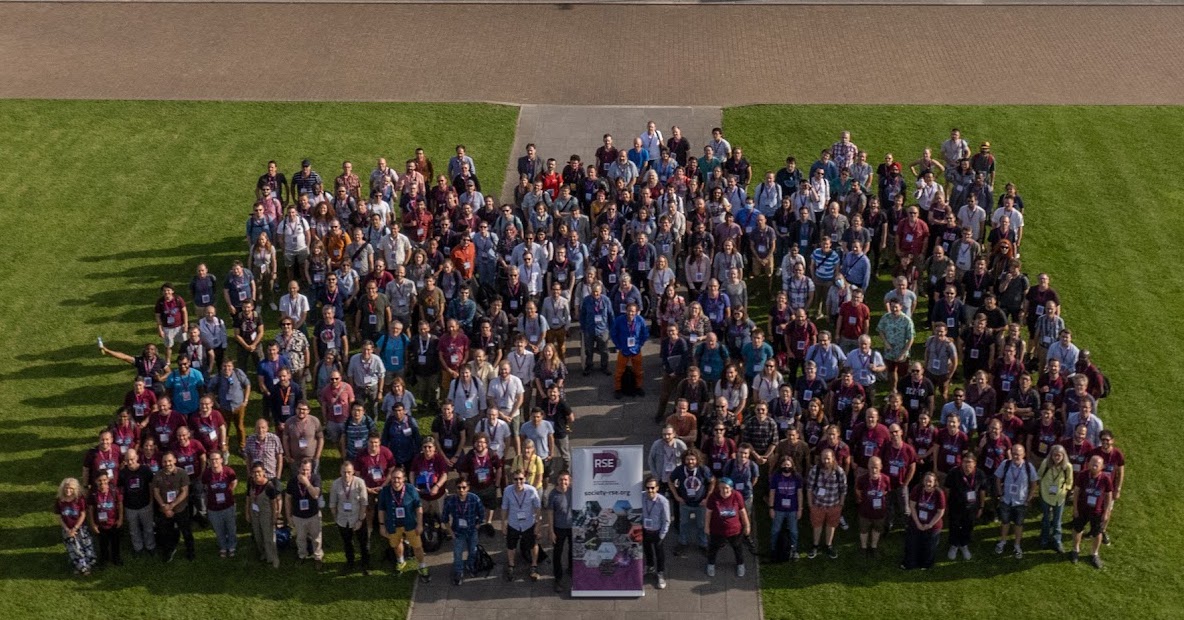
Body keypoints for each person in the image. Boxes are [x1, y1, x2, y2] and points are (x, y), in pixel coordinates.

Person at [378, 467, 430, 582]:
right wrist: (382, 525)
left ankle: (422, 565)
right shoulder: (385, 491)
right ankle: (401, 560)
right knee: (396, 544)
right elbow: (381, 509)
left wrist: (420, 524)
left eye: (399, 478)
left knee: (417, 546)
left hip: (410, 524)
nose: (396, 481)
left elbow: (418, 507)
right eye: (394, 478)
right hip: (393, 524)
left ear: (404, 479)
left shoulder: (411, 489)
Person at [1068, 455, 1113, 569]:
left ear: (1102, 467)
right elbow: (1077, 492)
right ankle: (1075, 550)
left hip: (1097, 511)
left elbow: (1108, 496)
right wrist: (1075, 508)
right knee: (1077, 529)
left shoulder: (1105, 479)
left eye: (1096, 464)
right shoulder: (1083, 475)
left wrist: (1106, 512)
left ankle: (1094, 554)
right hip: (1082, 509)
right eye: (1092, 463)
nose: (1093, 466)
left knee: (1097, 533)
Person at [994, 444, 1039, 559]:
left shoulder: (1029, 467)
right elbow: (998, 478)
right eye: (1013, 453)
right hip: (1007, 500)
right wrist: (1000, 494)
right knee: (1005, 522)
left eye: (1018, 454)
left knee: (1019, 524)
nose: (1015, 456)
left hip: (1020, 502)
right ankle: (1002, 542)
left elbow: (1034, 484)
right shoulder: (1006, 464)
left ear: (1023, 455)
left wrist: (1029, 498)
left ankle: (1017, 545)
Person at [501, 468, 543, 582]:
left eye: (521, 479)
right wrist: (503, 523)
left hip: (528, 523)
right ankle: (511, 566)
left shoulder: (532, 490)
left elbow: (538, 508)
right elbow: (504, 508)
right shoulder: (507, 491)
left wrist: (538, 524)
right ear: (512, 480)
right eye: (516, 479)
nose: (518, 482)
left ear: (525, 479)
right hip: (513, 523)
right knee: (511, 546)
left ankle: (534, 566)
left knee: (533, 544)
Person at [152, 451, 194, 562]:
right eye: (165, 461)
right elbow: (156, 492)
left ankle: (191, 551)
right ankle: (169, 552)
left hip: (180, 509)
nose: (168, 464)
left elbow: (184, 492)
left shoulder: (182, 473)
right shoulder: (158, 475)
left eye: (170, 461)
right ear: (161, 463)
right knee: (166, 533)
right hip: (164, 510)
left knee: (186, 532)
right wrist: (164, 506)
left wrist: (172, 505)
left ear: (175, 460)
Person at [943, 452, 985, 561]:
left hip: (972, 507)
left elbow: (982, 491)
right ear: (961, 462)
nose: (967, 465)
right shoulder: (954, 472)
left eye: (969, 462)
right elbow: (947, 489)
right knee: (954, 525)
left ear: (975, 463)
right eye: (965, 462)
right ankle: (954, 545)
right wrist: (946, 504)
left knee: (968, 526)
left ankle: (964, 544)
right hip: (955, 505)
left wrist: (981, 507)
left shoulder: (980, 474)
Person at [704, 477, 750, 578]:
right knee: (713, 548)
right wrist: (706, 526)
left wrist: (747, 525)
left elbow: (742, 511)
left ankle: (740, 565)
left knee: (737, 548)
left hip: (735, 530)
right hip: (717, 530)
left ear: (731, 488)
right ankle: (711, 564)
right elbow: (708, 513)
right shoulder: (713, 497)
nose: (724, 490)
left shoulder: (737, 496)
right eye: (722, 488)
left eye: (727, 488)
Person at [442, 477, 484, 585]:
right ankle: (458, 572)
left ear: (468, 488)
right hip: (457, 532)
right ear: (456, 489)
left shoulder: (474, 499)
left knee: (473, 551)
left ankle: (470, 565)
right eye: (459, 487)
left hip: (471, 531)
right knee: (457, 553)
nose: (461, 490)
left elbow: (482, 514)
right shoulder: (450, 501)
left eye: (464, 487)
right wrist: (451, 533)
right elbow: (445, 518)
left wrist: (477, 526)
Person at [331, 461, 370, 575]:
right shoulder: (335, 484)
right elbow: (333, 503)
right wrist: (336, 518)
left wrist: (360, 520)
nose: (346, 475)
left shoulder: (359, 483)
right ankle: (350, 562)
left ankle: (365, 563)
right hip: (343, 519)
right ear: (340, 472)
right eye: (344, 472)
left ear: (353, 472)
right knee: (347, 543)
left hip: (357, 517)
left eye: (349, 472)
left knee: (363, 543)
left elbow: (364, 503)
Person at [807, 448, 846, 559]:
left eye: (828, 458)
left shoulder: (839, 472)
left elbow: (843, 489)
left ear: (833, 458)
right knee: (817, 526)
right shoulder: (815, 470)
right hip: (818, 505)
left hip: (833, 505)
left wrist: (841, 505)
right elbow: (809, 488)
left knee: (831, 525)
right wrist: (810, 505)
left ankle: (828, 545)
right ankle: (815, 545)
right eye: (824, 458)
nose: (826, 461)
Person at [902, 472, 946, 570]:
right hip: (916, 521)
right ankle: (910, 563)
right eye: (926, 481)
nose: (928, 483)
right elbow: (912, 507)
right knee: (912, 544)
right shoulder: (917, 489)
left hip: (933, 524)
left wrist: (930, 525)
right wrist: (917, 523)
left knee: (929, 547)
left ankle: (926, 564)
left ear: (935, 482)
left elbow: (940, 512)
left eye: (930, 481)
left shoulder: (939, 493)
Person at [286, 457, 324, 570]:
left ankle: (318, 557)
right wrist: (288, 516)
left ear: (311, 470)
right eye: (303, 470)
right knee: (300, 538)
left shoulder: (315, 479)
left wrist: (307, 483)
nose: (305, 472)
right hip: (298, 516)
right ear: (299, 469)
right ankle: (302, 555)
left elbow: (315, 495)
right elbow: (288, 499)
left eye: (308, 470)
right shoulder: (292, 481)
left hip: (313, 515)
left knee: (316, 538)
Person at [55, 477, 96, 576]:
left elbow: (83, 514)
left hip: (80, 528)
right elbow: (58, 516)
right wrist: (67, 529)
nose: (68, 490)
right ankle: (80, 567)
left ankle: (87, 566)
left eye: (71, 488)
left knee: (85, 546)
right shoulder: (59, 500)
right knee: (74, 549)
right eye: (66, 488)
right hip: (67, 530)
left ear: (75, 489)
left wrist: (75, 528)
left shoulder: (79, 499)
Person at [117, 448, 155, 556]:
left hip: (145, 504)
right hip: (130, 507)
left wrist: (151, 501)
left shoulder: (145, 470)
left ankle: (150, 546)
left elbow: (151, 486)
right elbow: (120, 489)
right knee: (133, 530)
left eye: (132, 459)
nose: (130, 462)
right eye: (127, 460)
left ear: (137, 457)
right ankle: (137, 548)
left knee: (148, 528)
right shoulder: (122, 473)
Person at [1038, 444, 1073, 553]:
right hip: (1045, 495)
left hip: (1059, 497)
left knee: (1057, 521)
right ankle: (1044, 539)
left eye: (1059, 455)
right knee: (1046, 520)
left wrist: (1066, 490)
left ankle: (1057, 541)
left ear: (1063, 456)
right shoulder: (1046, 463)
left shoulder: (1067, 467)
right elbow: (1039, 476)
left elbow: (1069, 481)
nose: (1057, 458)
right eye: (1054, 455)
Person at [244, 461, 280, 568]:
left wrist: (274, 517)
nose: (257, 474)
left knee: (268, 537)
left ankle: (274, 558)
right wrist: (247, 513)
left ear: (264, 472)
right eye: (254, 472)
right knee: (258, 535)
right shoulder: (250, 483)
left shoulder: (269, 486)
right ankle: (263, 553)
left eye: (259, 472)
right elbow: (248, 499)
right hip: (254, 512)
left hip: (266, 513)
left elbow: (274, 503)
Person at [610, 302, 649, 399]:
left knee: (638, 370)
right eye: (628, 311)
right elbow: (613, 333)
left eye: (632, 311)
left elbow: (645, 333)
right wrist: (619, 345)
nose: (630, 313)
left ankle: (638, 387)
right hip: (624, 349)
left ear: (636, 312)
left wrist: (640, 344)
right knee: (619, 371)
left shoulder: (640, 320)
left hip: (636, 350)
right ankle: (618, 389)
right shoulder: (619, 320)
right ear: (625, 310)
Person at [86, 470, 123, 568]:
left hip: (113, 522)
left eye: (104, 480)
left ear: (108, 479)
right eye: (99, 481)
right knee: (103, 544)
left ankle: (116, 558)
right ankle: (104, 560)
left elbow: (119, 504)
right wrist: (93, 524)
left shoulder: (114, 490)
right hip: (101, 525)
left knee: (115, 543)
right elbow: (90, 509)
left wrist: (120, 519)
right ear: (95, 481)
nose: (102, 483)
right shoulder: (93, 493)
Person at [544, 471, 574, 591]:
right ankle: (558, 578)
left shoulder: (573, 491)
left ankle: (571, 569)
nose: (563, 482)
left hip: (572, 528)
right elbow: (550, 513)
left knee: (573, 551)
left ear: (569, 480)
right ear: (557, 481)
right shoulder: (553, 494)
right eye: (561, 479)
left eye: (566, 480)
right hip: (559, 528)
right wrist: (551, 531)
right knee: (557, 554)